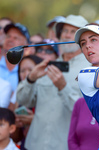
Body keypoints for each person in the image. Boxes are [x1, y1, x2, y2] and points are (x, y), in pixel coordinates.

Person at [16, 14, 89, 150]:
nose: (67, 35)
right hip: (34, 145)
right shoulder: (48, 64)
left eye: (73, 32)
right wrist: (31, 79)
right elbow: (24, 100)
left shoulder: (91, 69)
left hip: (64, 146)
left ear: (83, 39)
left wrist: (63, 87)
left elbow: (86, 114)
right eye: (65, 31)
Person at [0, 23, 30, 92]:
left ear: (26, 46)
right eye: (8, 36)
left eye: (15, 38)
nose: (10, 40)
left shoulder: (28, 70)